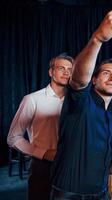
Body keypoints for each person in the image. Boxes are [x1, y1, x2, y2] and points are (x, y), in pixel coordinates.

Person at [50, 6, 112, 200]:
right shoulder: (81, 102)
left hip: (101, 193)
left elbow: (109, 167)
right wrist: (97, 39)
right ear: (95, 79)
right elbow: (79, 80)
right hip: (69, 194)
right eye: (106, 73)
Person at [7, 53, 74, 200]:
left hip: (70, 165)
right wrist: (43, 153)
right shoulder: (32, 99)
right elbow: (13, 138)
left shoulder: (76, 101)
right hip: (42, 166)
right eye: (61, 68)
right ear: (51, 72)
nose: (66, 72)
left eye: (70, 69)